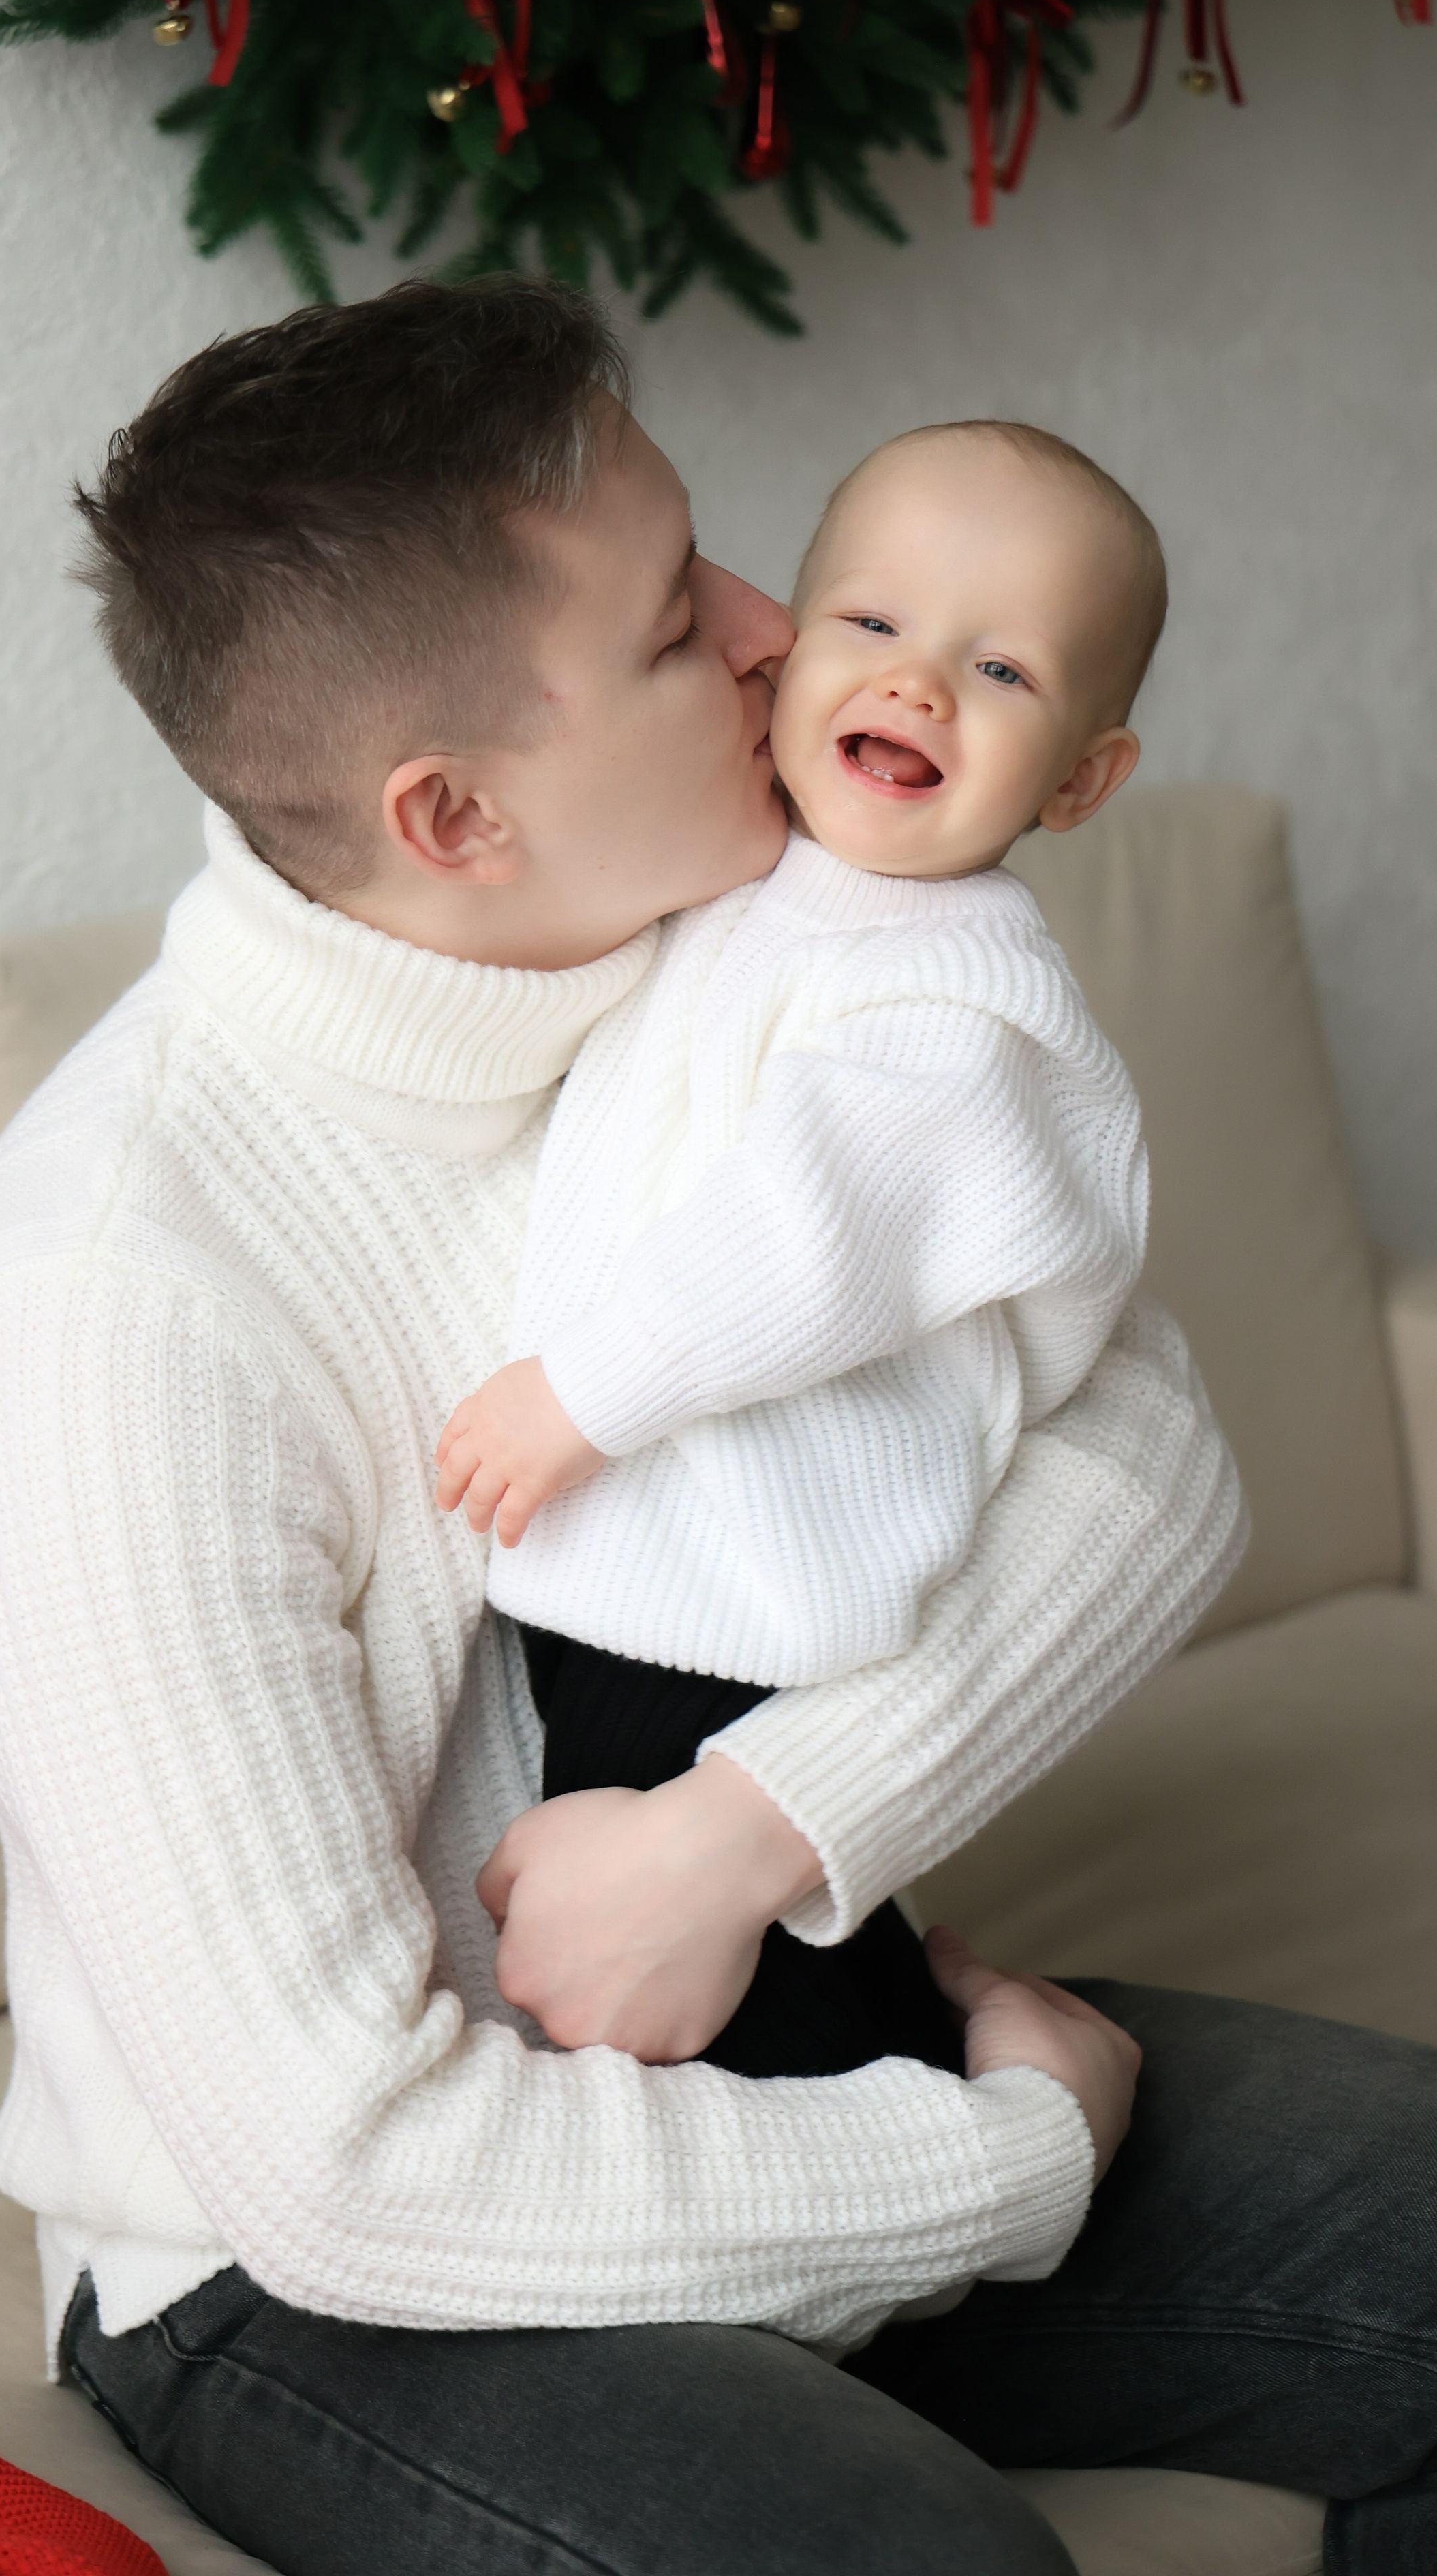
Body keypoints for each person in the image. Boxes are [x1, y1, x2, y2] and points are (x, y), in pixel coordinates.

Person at [0, 280, 1437, 2574]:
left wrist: (752, 1833)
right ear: (456, 813)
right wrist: (1005, 2163)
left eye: (715, 554)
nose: (772, 631)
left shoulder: (736, 953)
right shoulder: (112, 1309)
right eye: (666, 624)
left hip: (780, 2014)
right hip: (329, 2264)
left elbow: (1152, 1449)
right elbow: (342, 2165)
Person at [435, 423, 1159, 2087]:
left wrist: (583, 1394)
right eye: (872, 622)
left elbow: (806, 1235)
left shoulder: (958, 1001)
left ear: (1075, 781)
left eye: (998, 668)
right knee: (683, 1964)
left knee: (726, 2020)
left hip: (743, 1594)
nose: (916, 684)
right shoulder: (756, 888)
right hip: (657, 1563)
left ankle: (981, 2121)